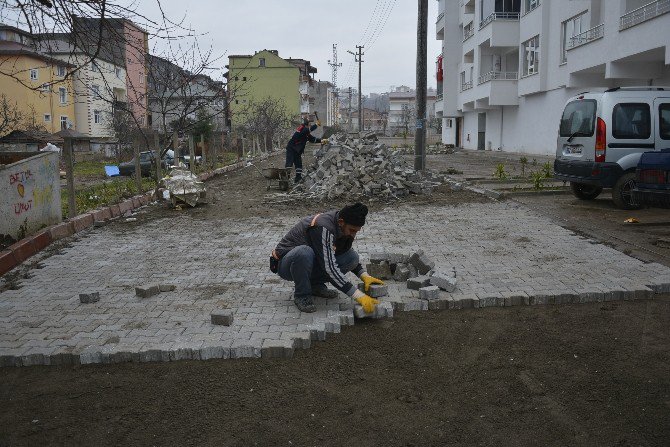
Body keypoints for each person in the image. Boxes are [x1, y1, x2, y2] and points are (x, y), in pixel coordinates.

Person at [270, 203, 384, 313]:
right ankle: (302, 295)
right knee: (304, 252)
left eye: (356, 231)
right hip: (285, 264)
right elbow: (329, 268)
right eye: (352, 230)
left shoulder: (343, 227)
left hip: (309, 261)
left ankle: (314, 286)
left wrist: (364, 275)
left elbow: (341, 253)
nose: (353, 235)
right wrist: (359, 296)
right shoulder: (322, 228)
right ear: (341, 222)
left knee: (352, 257)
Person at [285, 115, 329, 183]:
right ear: (306, 125)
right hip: (291, 148)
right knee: (289, 164)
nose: (309, 126)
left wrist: (322, 140)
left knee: (299, 164)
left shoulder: (306, 132)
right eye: (309, 125)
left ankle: (298, 179)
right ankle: (285, 179)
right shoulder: (301, 128)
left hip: (297, 150)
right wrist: (316, 125)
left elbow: (312, 139)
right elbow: (307, 130)